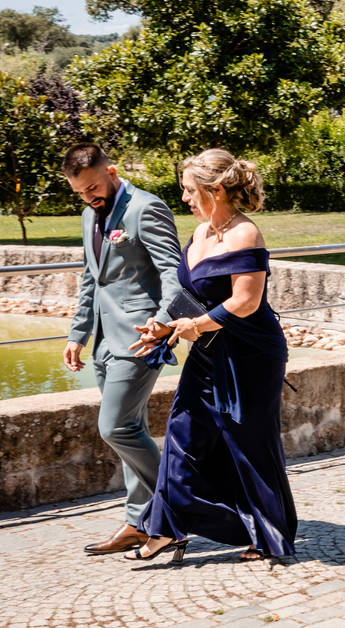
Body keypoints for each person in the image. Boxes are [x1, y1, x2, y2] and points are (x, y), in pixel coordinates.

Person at [130, 149, 298, 563]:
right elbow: (192, 297)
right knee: (181, 434)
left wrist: (197, 327)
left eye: (189, 190)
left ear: (216, 189)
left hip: (251, 356)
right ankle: (167, 526)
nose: (185, 198)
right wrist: (164, 324)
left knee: (249, 444)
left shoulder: (245, 234)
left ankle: (268, 535)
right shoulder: (200, 235)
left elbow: (246, 300)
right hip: (208, 352)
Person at [62, 143, 184, 556]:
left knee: (114, 427)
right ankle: (139, 521)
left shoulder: (145, 208)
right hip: (102, 341)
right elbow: (90, 278)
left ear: (111, 171)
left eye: (93, 187)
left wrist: (164, 322)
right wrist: (78, 333)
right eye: (80, 192)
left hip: (141, 337)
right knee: (130, 429)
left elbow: (173, 272)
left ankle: (178, 507)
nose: (88, 197)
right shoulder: (87, 215)